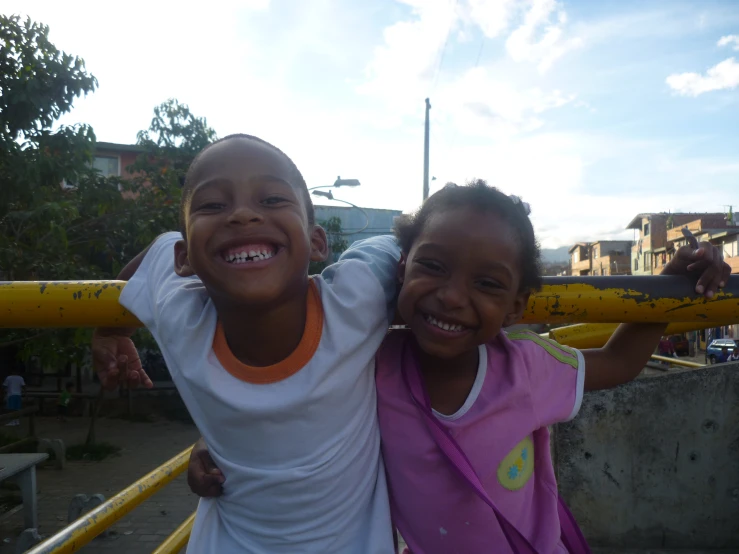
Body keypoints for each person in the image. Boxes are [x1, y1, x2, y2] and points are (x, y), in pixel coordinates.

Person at [188, 181, 730, 553]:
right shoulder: (368, 364)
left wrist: (671, 288)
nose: (450, 297)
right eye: (433, 267)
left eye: (487, 283)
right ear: (402, 270)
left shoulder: (526, 370)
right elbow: (290, 408)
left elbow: (618, 360)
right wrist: (215, 448)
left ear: (517, 306)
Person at [91, 134, 401, 553]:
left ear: (317, 242)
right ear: (187, 261)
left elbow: (417, 235)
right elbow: (158, 251)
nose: (241, 214)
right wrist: (110, 330)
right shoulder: (183, 316)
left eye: (272, 199)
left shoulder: (355, 299)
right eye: (213, 205)